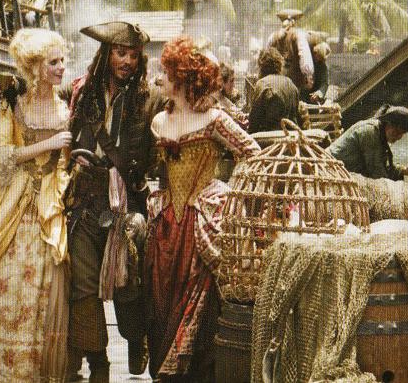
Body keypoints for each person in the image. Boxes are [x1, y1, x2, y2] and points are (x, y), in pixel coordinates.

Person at [146, 36, 260, 382]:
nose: (159, 79)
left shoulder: (214, 119)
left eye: (166, 73)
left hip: (203, 219)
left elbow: (252, 153)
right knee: (161, 301)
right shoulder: (158, 121)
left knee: (203, 307)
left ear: (182, 78)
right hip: (167, 224)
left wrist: (227, 193)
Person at [0, 28, 71, 382]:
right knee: (9, 282)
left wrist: (65, 181)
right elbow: (1, 162)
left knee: (46, 287)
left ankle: (38, 370)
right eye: (53, 62)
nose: (61, 67)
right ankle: (5, 368)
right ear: (36, 68)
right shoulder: (14, 105)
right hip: (19, 204)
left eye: (62, 61)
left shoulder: (64, 107)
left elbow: (66, 162)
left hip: (52, 204)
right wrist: (48, 144)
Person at [61, 21, 166, 382]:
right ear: (107, 54)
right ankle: (99, 364)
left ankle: (136, 340)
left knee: (128, 287)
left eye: (133, 55)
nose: (127, 61)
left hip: (127, 206)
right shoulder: (82, 92)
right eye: (121, 53)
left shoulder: (150, 99)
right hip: (85, 203)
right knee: (83, 288)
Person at [327, 104, 408, 180]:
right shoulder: (370, 132)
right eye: (396, 131)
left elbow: (384, 166)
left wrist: (404, 170)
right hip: (328, 169)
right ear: (388, 124)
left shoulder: (380, 135)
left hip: (342, 172)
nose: (398, 136)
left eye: (402, 133)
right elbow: (377, 174)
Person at [246, 47, 300, 134]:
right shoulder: (290, 83)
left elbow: (254, 119)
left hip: (270, 136)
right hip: (291, 134)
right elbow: (296, 115)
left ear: (261, 66)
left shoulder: (262, 84)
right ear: (280, 64)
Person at [267, 9, 314, 92]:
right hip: (294, 81)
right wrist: (308, 75)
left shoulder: (272, 36)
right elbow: (304, 57)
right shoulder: (299, 35)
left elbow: (266, 56)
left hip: (275, 80)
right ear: (294, 22)